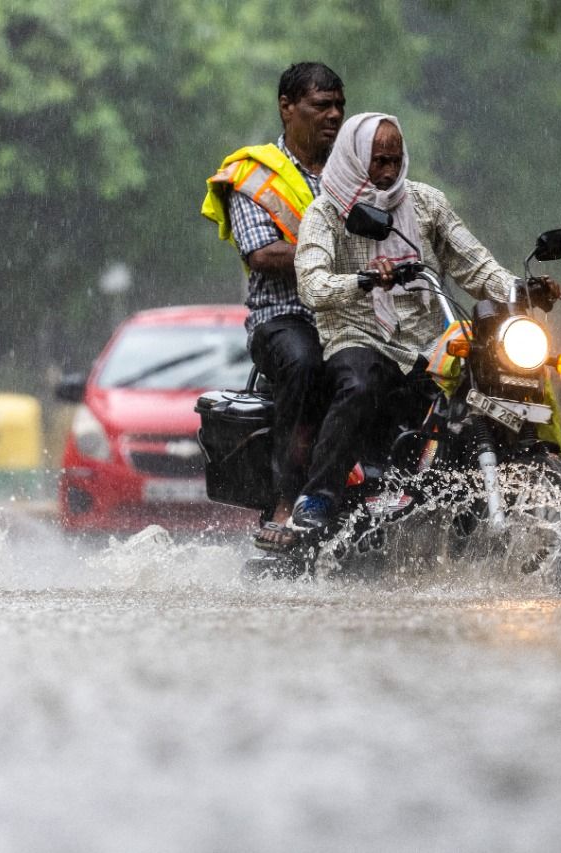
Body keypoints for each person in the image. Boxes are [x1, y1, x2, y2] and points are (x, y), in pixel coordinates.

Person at [291, 112, 561, 531]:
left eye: (395, 161)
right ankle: (319, 496)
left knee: (493, 383)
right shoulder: (326, 213)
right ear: (353, 157)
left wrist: (521, 288)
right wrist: (363, 281)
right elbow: (312, 285)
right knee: (360, 385)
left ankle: (483, 488)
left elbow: (474, 264)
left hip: (429, 340)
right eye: (378, 161)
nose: (387, 172)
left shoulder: (425, 203)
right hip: (359, 334)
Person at [200, 62, 345, 550]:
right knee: (305, 365)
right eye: (321, 105)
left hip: (355, 316)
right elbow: (262, 254)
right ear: (287, 107)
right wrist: (337, 258)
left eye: (339, 105)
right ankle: (287, 501)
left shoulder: (363, 171)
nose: (334, 115)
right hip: (285, 319)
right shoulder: (252, 176)